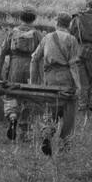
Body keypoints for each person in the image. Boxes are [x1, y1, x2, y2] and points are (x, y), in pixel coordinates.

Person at [29, 14, 85, 156]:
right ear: (69, 24)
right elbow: (73, 64)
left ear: (56, 22)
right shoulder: (71, 39)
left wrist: (34, 81)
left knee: (50, 107)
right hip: (66, 76)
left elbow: (34, 58)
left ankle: (47, 134)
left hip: (50, 77)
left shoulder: (47, 38)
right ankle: (65, 144)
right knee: (69, 109)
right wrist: (78, 85)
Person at [0, 8, 43, 142]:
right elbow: (42, 55)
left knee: (11, 94)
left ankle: (12, 116)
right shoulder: (37, 34)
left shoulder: (12, 33)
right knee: (29, 97)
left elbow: (2, 53)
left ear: (20, 18)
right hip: (31, 68)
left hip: (14, 67)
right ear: (34, 19)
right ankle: (25, 131)